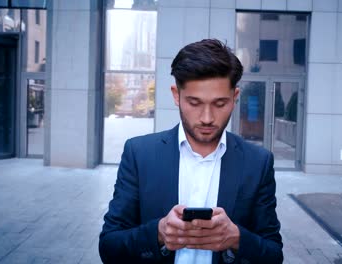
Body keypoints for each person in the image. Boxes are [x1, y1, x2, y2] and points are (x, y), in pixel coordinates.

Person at [99, 39, 283, 264]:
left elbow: (274, 254)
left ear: (235, 97)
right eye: (194, 103)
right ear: (176, 95)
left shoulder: (258, 162)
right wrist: (158, 233)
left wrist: (237, 239)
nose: (207, 118)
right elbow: (109, 247)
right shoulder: (139, 154)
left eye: (219, 103)